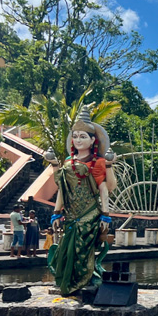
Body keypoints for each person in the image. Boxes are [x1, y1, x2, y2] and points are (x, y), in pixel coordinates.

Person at [46, 106, 117, 295]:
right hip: (71, 213)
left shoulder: (98, 162)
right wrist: (56, 212)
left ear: (93, 140)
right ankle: (67, 280)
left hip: (90, 213)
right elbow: (63, 189)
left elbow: (106, 188)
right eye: (75, 136)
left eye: (83, 137)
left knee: (84, 250)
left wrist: (105, 214)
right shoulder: (69, 163)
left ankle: (85, 280)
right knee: (66, 250)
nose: (78, 140)